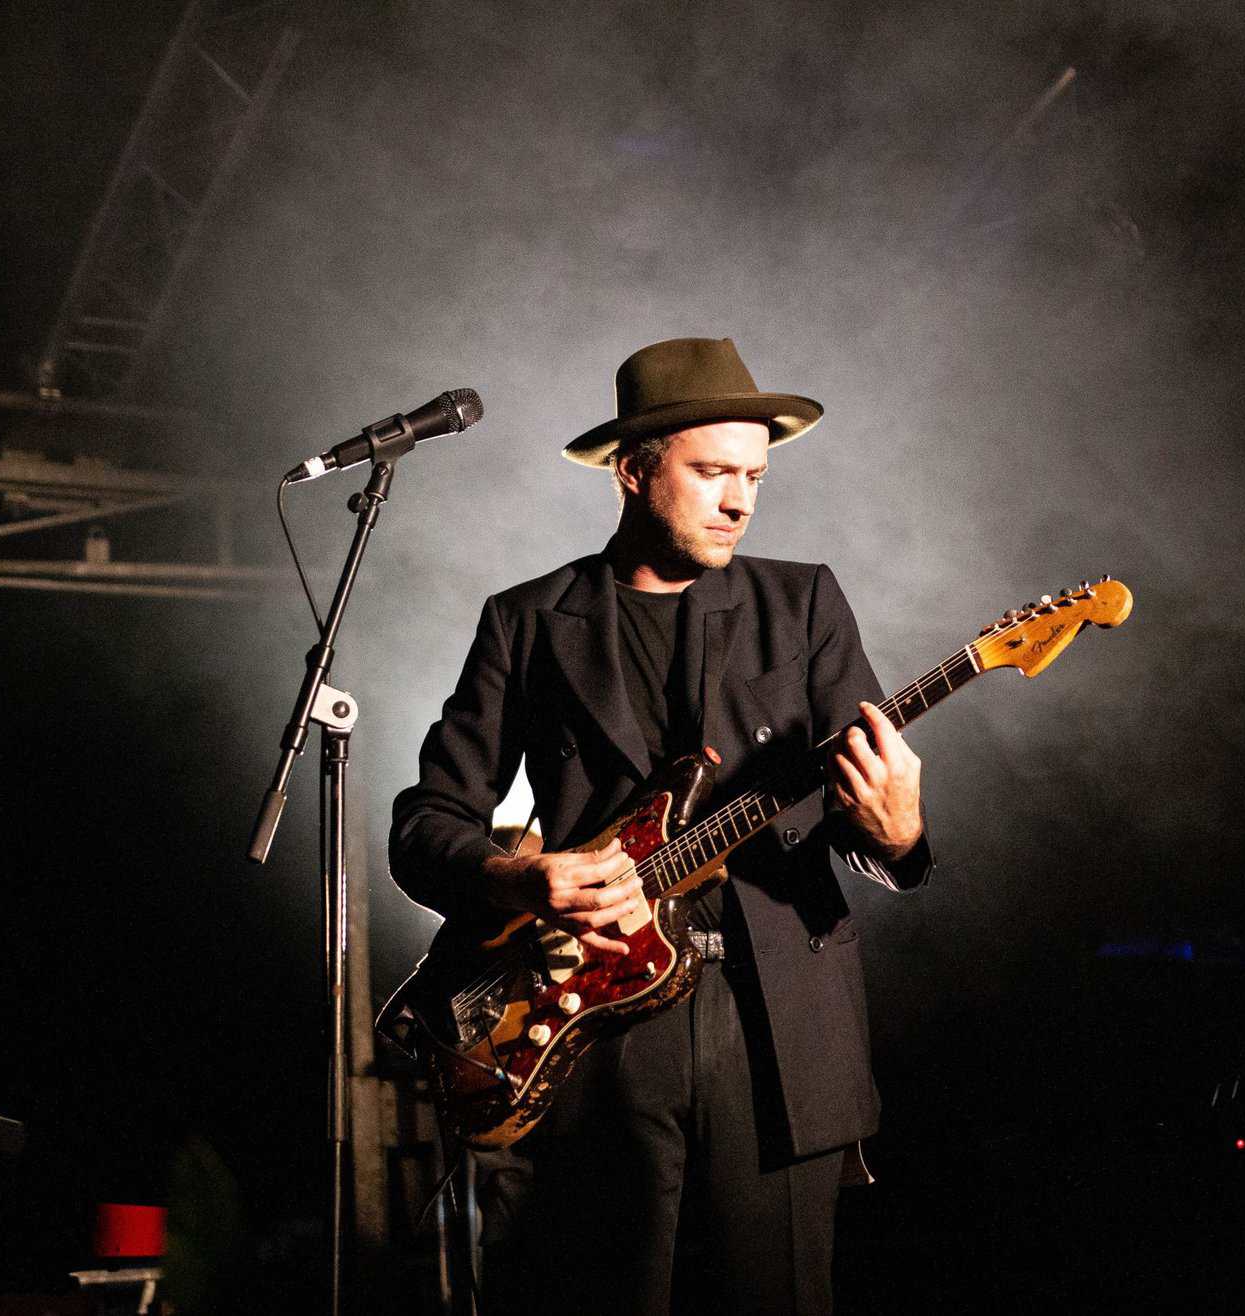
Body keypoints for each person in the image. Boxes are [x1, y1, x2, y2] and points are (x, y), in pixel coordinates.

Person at [389, 336, 933, 1315]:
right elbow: (426, 822)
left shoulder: (801, 602)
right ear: (633, 471)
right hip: (594, 1032)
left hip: (774, 1023)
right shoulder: (527, 620)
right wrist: (521, 878)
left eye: (754, 477)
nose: (740, 500)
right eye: (713, 471)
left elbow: (866, 826)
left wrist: (896, 834)